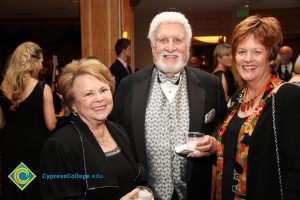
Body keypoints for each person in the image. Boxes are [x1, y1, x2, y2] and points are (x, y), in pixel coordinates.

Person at [111, 11, 227, 200]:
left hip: (195, 191)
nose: (170, 47)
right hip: (143, 193)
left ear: (188, 46)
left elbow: (223, 127)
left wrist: (214, 143)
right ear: (152, 46)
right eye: (163, 40)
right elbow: (115, 133)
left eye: (178, 40)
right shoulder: (128, 85)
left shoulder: (210, 84)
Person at [215, 15, 300, 200]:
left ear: (270, 56)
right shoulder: (238, 97)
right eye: (242, 51)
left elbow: (297, 168)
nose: (248, 59)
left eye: (256, 51)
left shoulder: (287, 97)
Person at [40, 58, 143, 200]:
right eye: (89, 94)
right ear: (73, 104)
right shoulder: (59, 146)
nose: (99, 98)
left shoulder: (119, 131)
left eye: (103, 90)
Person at [0, 41, 57, 199]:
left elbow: (1, 123)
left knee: (15, 188)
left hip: (10, 147)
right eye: (40, 61)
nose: (41, 66)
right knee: (33, 189)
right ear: (32, 62)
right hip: (34, 148)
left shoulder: (3, 87)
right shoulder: (42, 88)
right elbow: (51, 125)